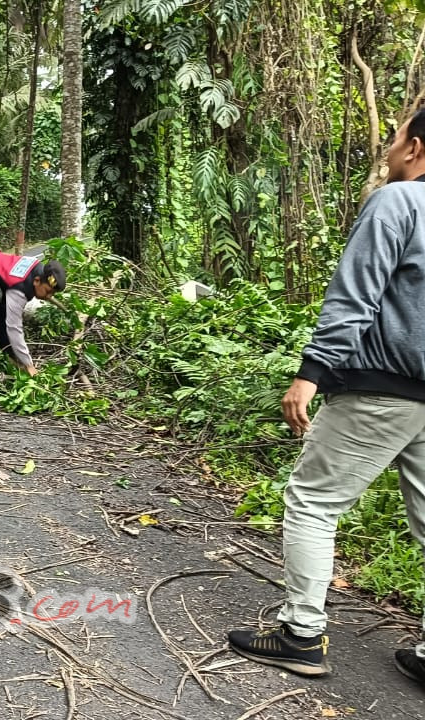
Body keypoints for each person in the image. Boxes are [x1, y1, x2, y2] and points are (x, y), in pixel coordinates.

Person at [226, 109, 425, 684]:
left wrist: (310, 373)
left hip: (381, 388)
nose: (387, 153)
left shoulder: (399, 202)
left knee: (313, 501)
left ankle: (300, 635)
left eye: (392, 141)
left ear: (414, 147)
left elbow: (355, 298)